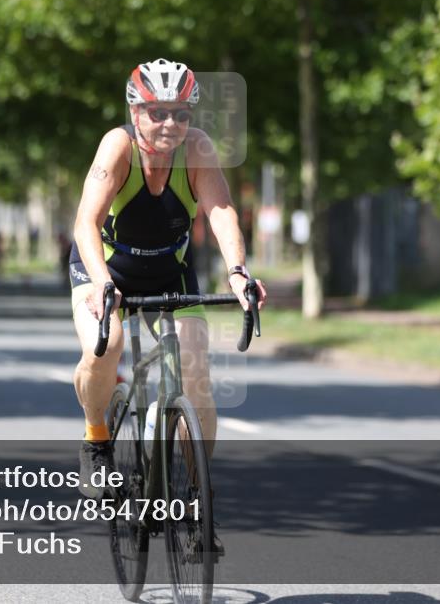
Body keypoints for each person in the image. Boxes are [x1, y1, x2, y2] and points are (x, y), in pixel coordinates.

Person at [69, 59, 268, 551]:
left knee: (197, 376)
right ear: (135, 112)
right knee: (106, 345)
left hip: (170, 272)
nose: (169, 125)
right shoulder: (117, 147)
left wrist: (239, 273)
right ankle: (97, 442)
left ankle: (200, 502)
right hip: (104, 270)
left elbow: (221, 212)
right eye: (157, 113)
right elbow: (85, 223)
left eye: (180, 113)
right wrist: (100, 283)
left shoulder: (197, 149)